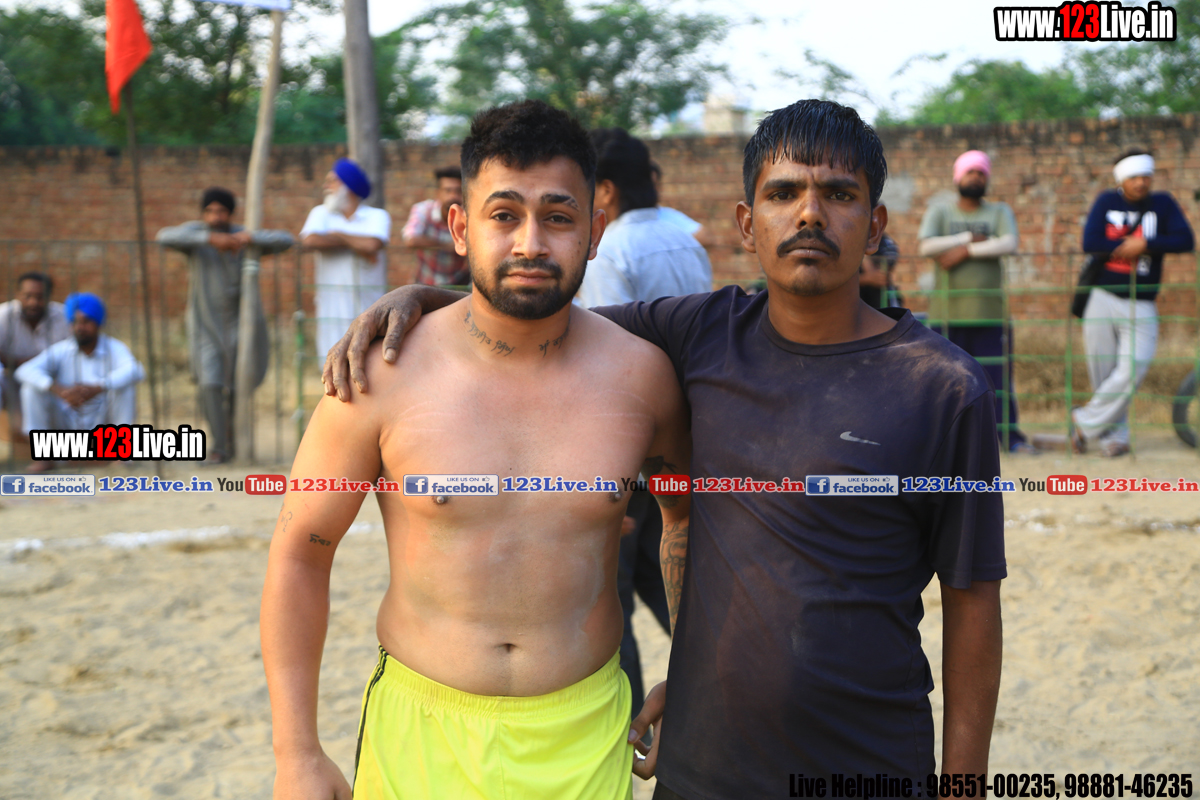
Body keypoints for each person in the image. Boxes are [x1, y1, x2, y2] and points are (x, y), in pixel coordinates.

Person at [325, 98, 1006, 793]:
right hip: (702, 765)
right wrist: (421, 297)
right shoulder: (699, 335)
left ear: (875, 225)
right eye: (782, 194)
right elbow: (536, 311)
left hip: (868, 758)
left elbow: (975, 600)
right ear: (747, 223)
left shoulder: (942, 388)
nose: (809, 215)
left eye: (838, 194)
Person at [262, 100, 691, 800]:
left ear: (594, 230)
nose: (530, 243)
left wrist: (690, 677)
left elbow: (687, 517)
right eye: (504, 215)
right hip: (419, 734)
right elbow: (299, 553)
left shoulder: (642, 379)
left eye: (558, 217)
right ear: (461, 229)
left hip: (586, 736)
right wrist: (296, 753)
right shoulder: (381, 372)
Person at [576, 127, 710, 716]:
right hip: (684, 436)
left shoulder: (613, 249)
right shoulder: (686, 241)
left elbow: (606, 354)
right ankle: (714, 684)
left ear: (604, 189)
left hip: (628, 445)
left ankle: (629, 723)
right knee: (669, 578)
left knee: (615, 594)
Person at [156, 187, 294, 463]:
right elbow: (163, 236)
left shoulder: (243, 236)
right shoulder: (197, 236)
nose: (214, 217)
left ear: (230, 214)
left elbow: (286, 240)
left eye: (220, 211)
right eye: (209, 211)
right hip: (206, 326)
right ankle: (219, 446)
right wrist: (210, 239)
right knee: (210, 382)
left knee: (237, 385)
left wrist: (250, 238)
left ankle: (232, 439)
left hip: (243, 326)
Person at [1073, 149, 1195, 457]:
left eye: (1146, 176)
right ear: (1121, 180)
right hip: (1102, 296)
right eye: (1134, 177)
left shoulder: (1163, 204)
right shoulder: (1106, 201)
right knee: (1102, 370)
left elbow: (1185, 239)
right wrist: (1124, 246)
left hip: (1142, 300)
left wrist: (1147, 244)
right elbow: (1090, 242)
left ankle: (1083, 423)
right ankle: (1114, 438)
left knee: (1133, 368)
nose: (1141, 183)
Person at [918, 149, 1034, 453]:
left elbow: (1009, 243)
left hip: (989, 313)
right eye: (970, 171)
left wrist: (964, 252)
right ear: (958, 177)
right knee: (944, 380)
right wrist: (968, 238)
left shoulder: (998, 212)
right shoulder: (941, 212)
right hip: (947, 314)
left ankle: (1008, 437)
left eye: (981, 172)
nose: (976, 177)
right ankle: (944, 442)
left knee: (997, 380)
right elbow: (926, 246)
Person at [576, 129, 712, 309]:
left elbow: (606, 326)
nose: (580, 197)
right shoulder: (688, 243)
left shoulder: (607, 254)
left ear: (607, 190)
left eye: (585, 187)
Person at [15, 293, 145, 472]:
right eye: (75, 322)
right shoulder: (62, 349)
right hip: (67, 420)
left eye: (86, 322)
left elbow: (136, 370)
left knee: (124, 388)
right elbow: (24, 370)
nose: (80, 327)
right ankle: (44, 457)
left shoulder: (114, 348)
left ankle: (120, 455)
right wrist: (58, 390)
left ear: (98, 323)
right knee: (31, 389)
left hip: (102, 425)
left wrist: (99, 387)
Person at [300, 159, 392, 361]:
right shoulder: (320, 213)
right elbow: (310, 240)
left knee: (369, 356)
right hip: (331, 300)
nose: (326, 186)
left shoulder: (377, 216)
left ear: (348, 186)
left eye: (332, 181)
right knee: (330, 356)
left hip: (368, 300)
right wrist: (355, 243)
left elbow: (372, 245)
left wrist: (338, 235)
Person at [0, 272, 71, 458]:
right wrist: (22, 363)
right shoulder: (3, 316)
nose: (33, 302)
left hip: (49, 383)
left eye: (40, 297)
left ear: (49, 297)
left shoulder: (63, 316)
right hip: (9, 380)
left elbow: (72, 356)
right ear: (18, 295)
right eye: (28, 296)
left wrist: (33, 366)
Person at [401, 165, 469, 286]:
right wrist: (447, 245)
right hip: (425, 283)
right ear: (438, 193)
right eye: (448, 190)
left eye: (458, 191)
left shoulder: (469, 215)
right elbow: (411, 239)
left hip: (459, 284)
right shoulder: (423, 210)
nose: (453, 196)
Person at [649, 161, 715, 248]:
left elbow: (704, 238)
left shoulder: (667, 215)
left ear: (660, 187)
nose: (647, 190)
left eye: (653, 185)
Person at [858, 232, 902, 309]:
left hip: (876, 299)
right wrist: (866, 278)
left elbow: (880, 277)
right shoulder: (846, 240)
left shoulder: (886, 242)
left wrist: (863, 254)